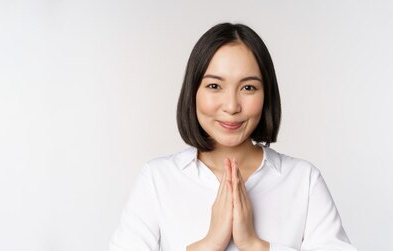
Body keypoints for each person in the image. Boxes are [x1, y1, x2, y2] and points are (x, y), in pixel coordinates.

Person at [109, 23, 356, 251]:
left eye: (248, 87)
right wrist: (209, 244)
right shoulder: (157, 179)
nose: (231, 106)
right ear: (193, 91)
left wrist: (255, 245)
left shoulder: (304, 181)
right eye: (214, 86)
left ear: (266, 94)